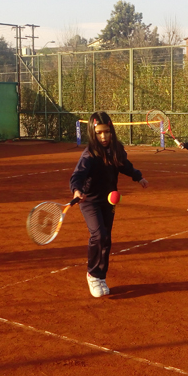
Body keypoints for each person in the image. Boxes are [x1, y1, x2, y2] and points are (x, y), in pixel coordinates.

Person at [70, 111, 149, 298]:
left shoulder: (116, 150)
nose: (103, 136)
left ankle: (101, 276)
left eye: (106, 132)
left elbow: (124, 165)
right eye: (99, 133)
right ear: (92, 133)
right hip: (89, 201)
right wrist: (76, 190)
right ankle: (92, 273)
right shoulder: (89, 154)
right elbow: (77, 176)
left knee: (107, 239)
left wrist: (138, 177)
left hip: (108, 200)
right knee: (99, 235)